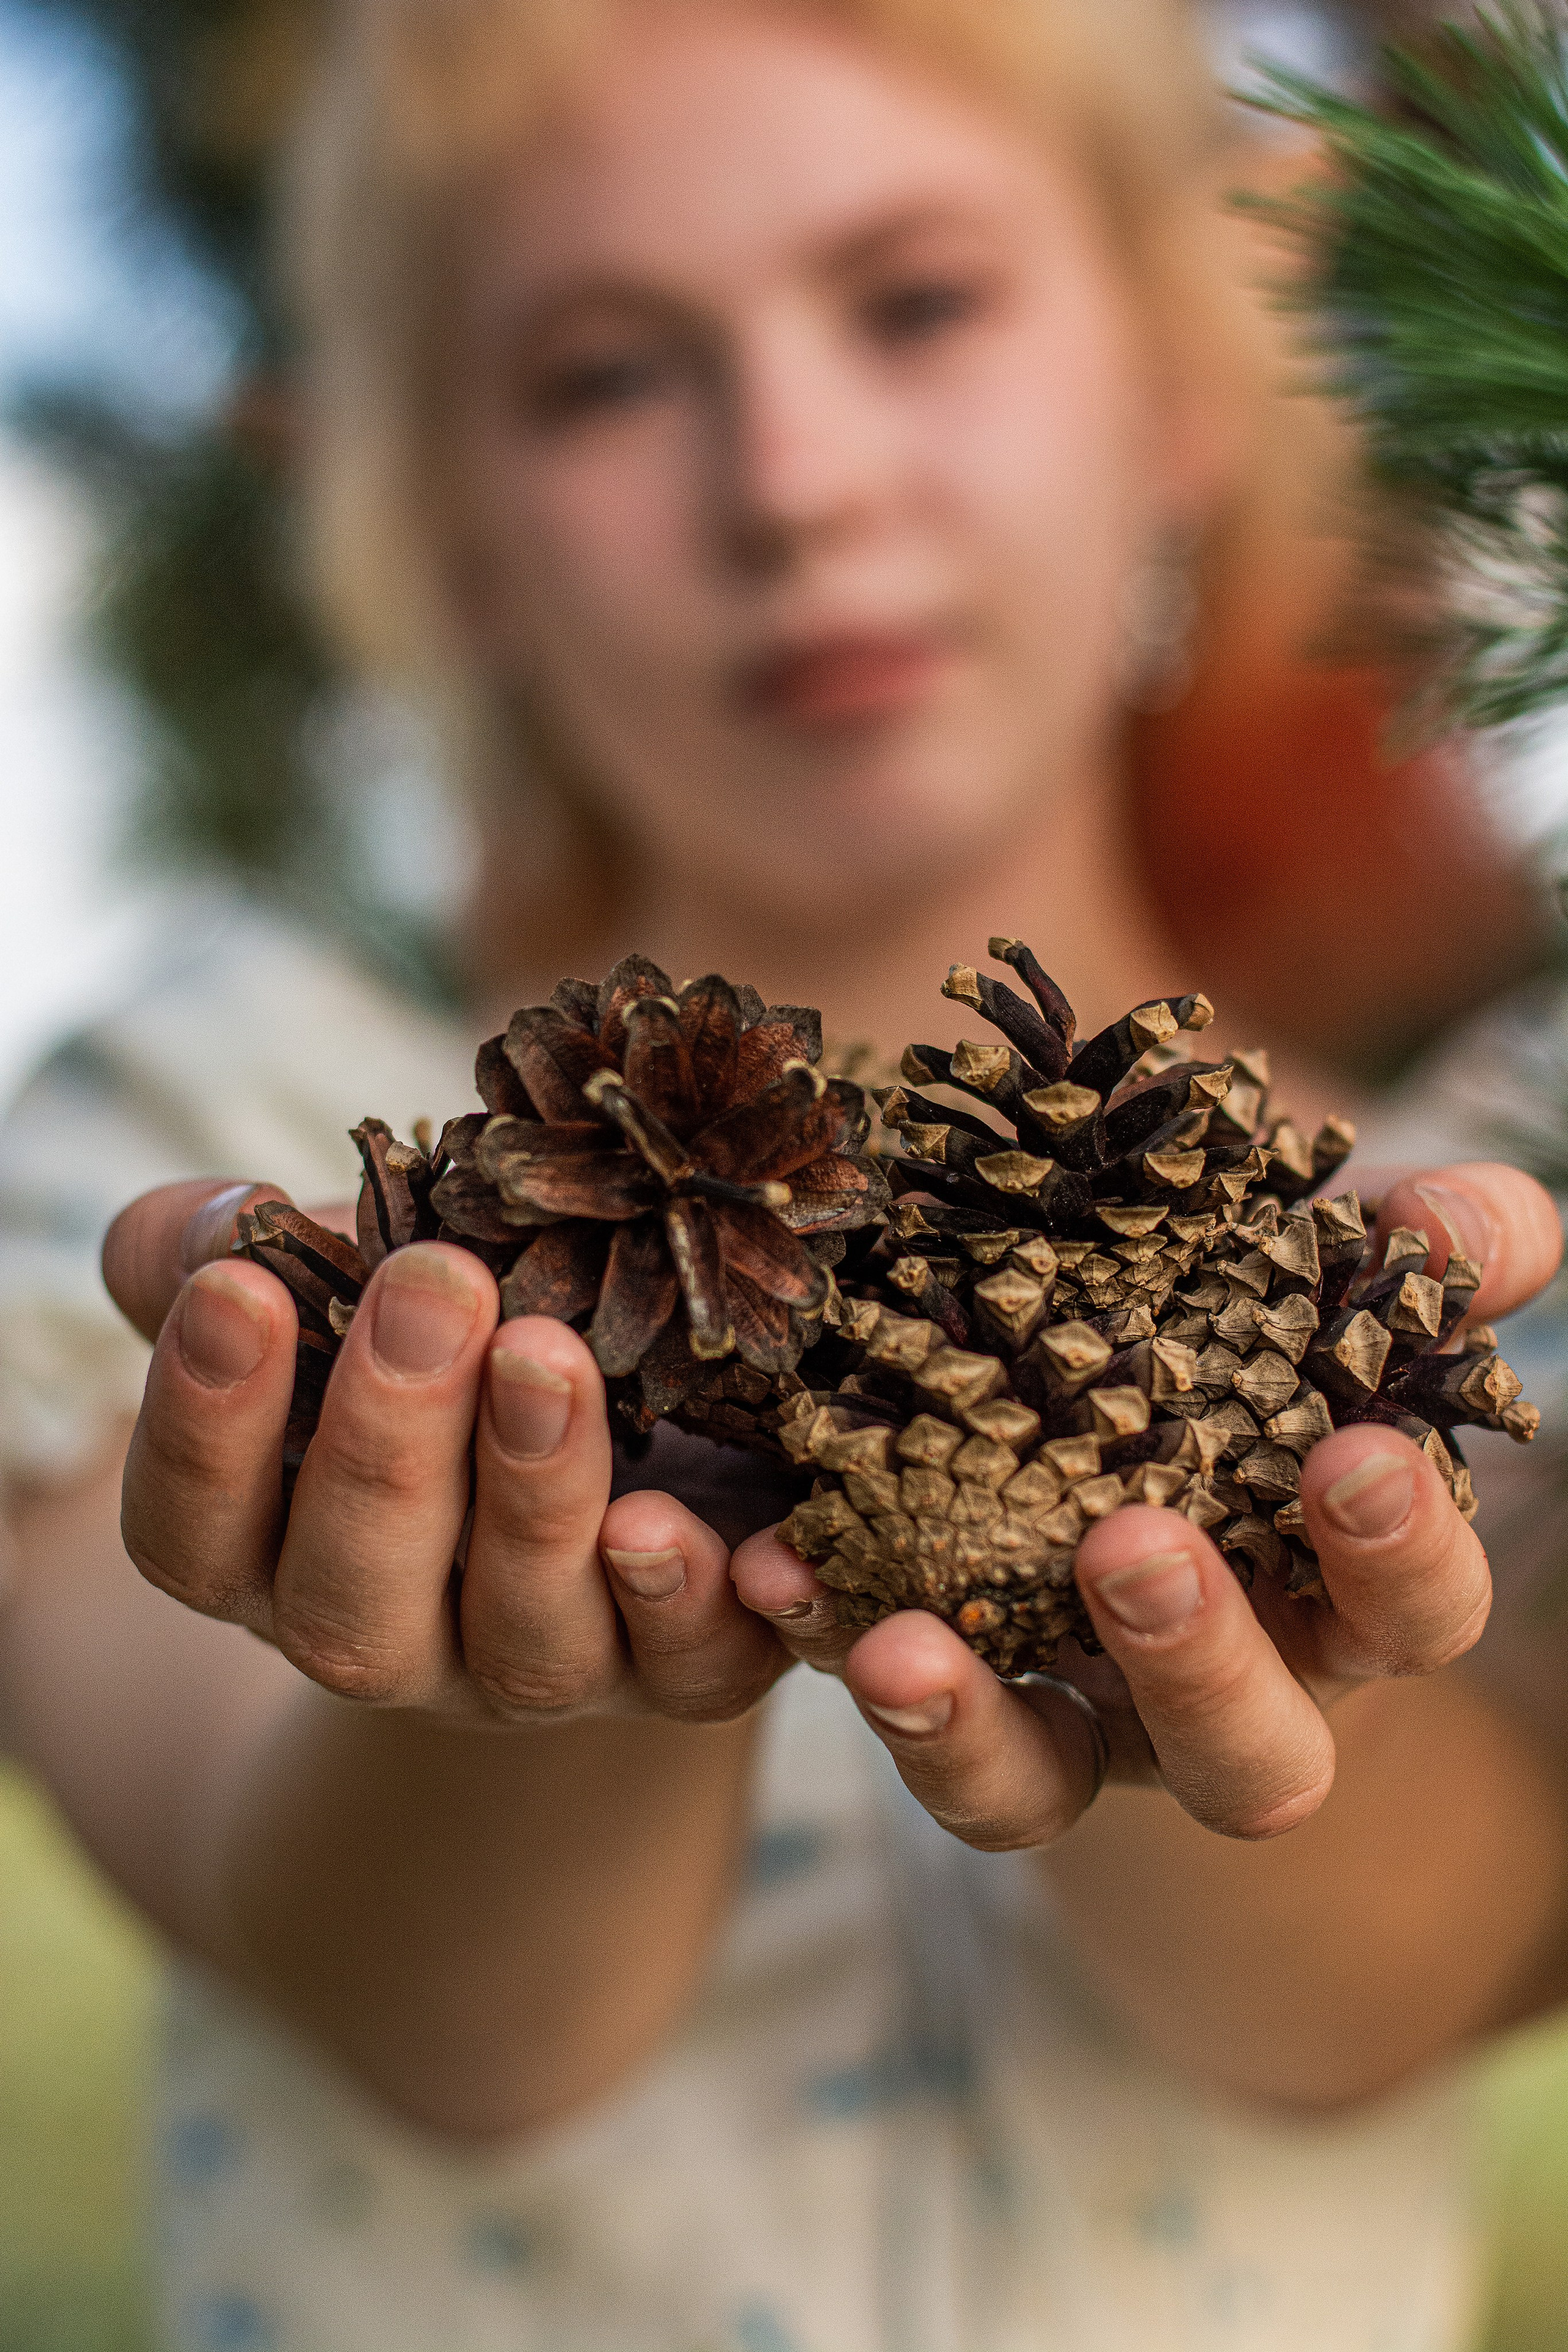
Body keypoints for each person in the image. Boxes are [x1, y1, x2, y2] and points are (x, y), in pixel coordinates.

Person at [1, 2, 1565, 2346]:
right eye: (605, 375)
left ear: (1173, 393)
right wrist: (500, 1665)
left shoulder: (1457, 1237)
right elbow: (401, 2001)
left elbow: (1401, 1984)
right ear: (454, 533)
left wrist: (1235, 1634)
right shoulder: (224, 1133)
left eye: (916, 302)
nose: (792, 481)